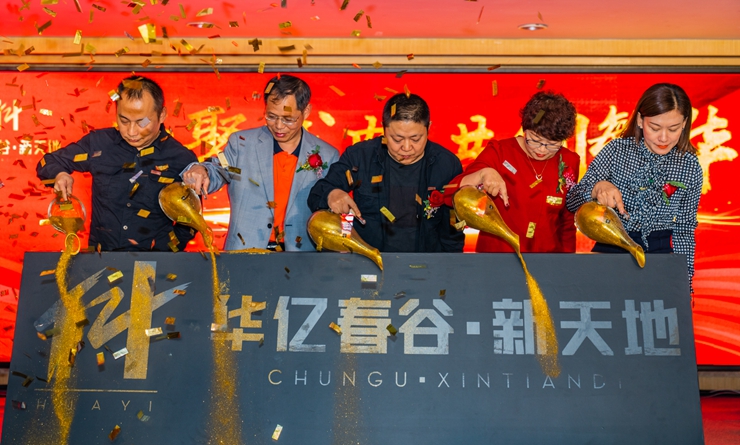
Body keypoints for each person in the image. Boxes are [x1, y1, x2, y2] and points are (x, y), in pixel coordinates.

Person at [37, 75, 197, 251]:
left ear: (162, 115)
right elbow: (48, 162)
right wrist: (59, 174)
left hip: (154, 260)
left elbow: (190, 221)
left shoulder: (180, 158)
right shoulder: (99, 143)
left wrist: (162, 253)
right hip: (101, 258)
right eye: (124, 121)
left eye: (142, 122)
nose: (131, 132)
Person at [182, 74, 339, 251]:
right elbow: (217, 169)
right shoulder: (242, 144)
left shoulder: (327, 155)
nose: (278, 126)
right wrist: (201, 170)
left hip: (302, 255)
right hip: (246, 252)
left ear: (306, 111)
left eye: (288, 119)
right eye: (271, 116)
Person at [566, 83, 702, 283]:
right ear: (640, 120)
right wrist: (596, 188)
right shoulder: (616, 151)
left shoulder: (689, 166)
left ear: (684, 124)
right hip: (610, 249)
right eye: (655, 128)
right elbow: (572, 202)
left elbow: (685, 229)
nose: (664, 137)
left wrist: (685, 281)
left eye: (673, 129)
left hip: (659, 255)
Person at [308, 93, 464, 252]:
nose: (406, 147)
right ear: (383, 128)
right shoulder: (360, 156)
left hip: (426, 260)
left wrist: (451, 262)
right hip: (369, 258)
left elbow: (453, 229)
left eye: (415, 139)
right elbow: (317, 193)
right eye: (397, 139)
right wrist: (332, 194)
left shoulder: (446, 164)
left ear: (428, 127)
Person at [445, 91, 580, 253]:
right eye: (535, 140)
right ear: (525, 129)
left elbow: (567, 220)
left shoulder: (569, 161)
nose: (542, 150)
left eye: (552, 145)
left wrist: (567, 260)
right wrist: (482, 174)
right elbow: (448, 194)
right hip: (498, 255)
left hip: (547, 257)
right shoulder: (499, 152)